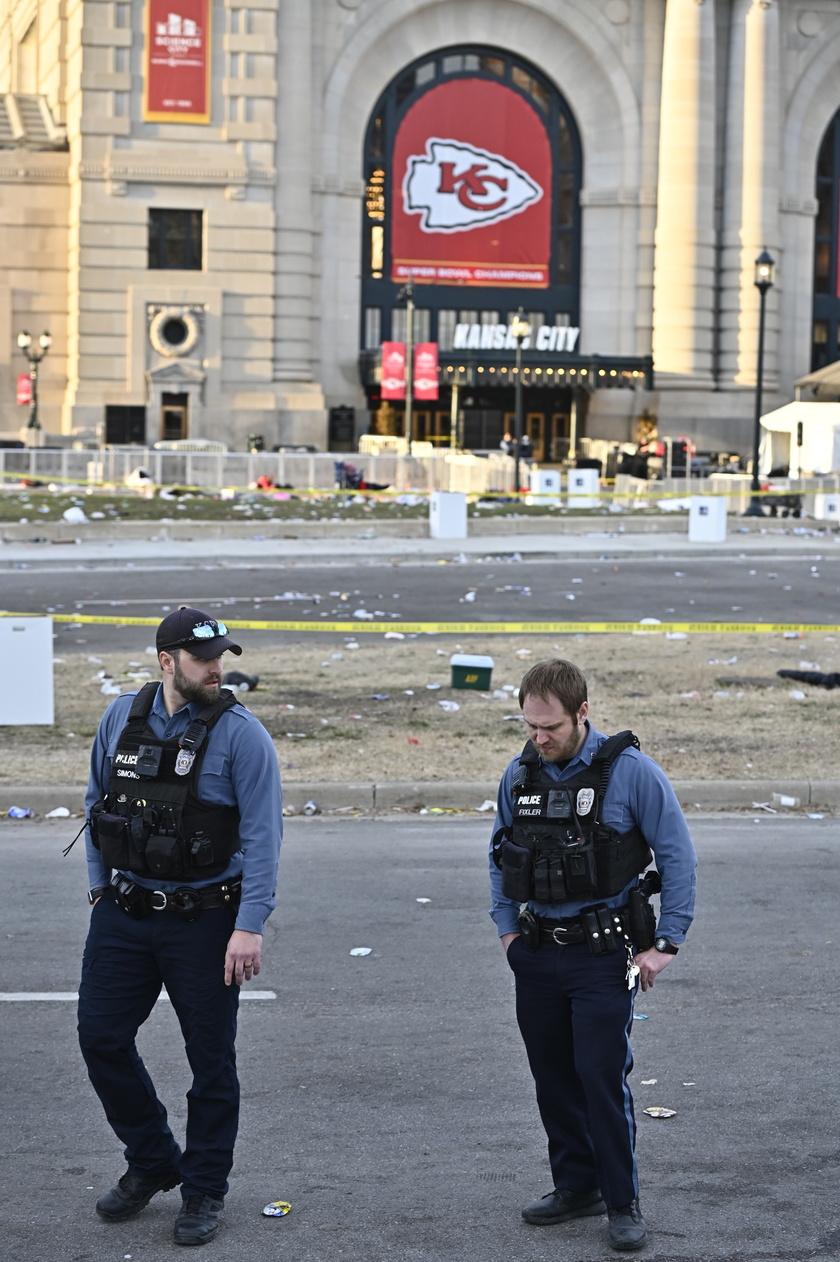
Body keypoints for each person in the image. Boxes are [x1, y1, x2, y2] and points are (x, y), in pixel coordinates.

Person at [77, 607, 283, 1247]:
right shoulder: (121, 717)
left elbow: (264, 839)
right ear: (167, 662)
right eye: (203, 660)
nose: (218, 668)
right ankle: (153, 1158)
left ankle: (203, 1190)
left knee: (210, 1062)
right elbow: (97, 804)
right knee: (101, 1038)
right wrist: (97, 887)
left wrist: (249, 926)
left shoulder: (242, 734)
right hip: (125, 910)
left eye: (222, 656)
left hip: (206, 920)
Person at [489, 659, 696, 1253]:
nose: (539, 737)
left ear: (582, 713)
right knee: (552, 1078)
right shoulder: (520, 773)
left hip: (605, 957)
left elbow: (678, 856)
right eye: (530, 725)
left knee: (600, 1078)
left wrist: (667, 943)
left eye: (549, 726)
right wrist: (507, 934)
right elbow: (499, 857)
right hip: (535, 954)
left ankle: (621, 1199)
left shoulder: (630, 772)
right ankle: (576, 1185)